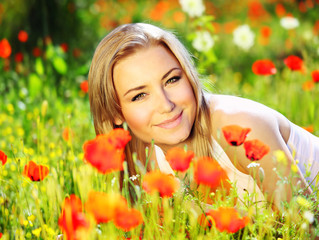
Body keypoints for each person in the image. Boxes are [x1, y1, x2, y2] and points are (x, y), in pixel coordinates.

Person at [88, 23, 319, 210]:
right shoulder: (141, 156)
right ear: (116, 112)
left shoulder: (241, 130)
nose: (166, 105)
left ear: (188, 75)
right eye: (140, 95)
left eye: (172, 80)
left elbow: (307, 230)